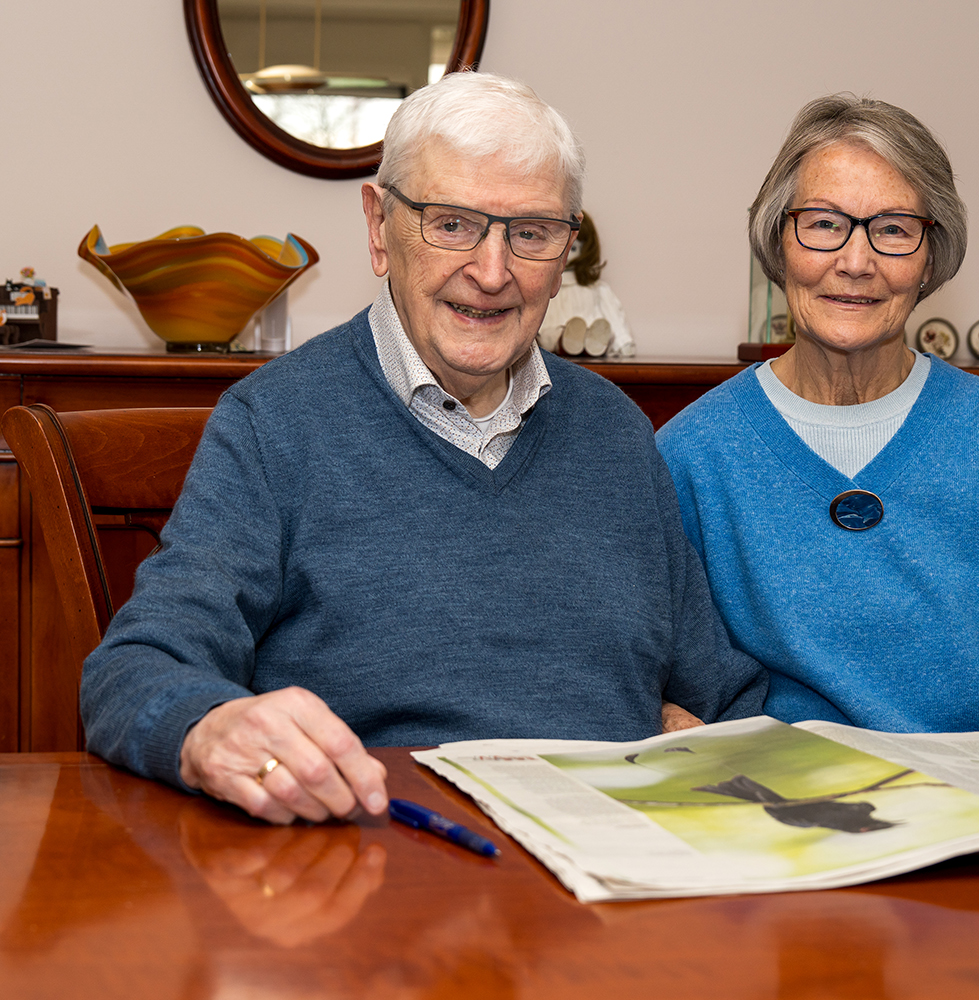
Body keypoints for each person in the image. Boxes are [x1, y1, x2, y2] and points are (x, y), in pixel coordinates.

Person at [81, 72, 765, 825]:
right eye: (451, 224)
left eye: (531, 232)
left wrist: (703, 735)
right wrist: (209, 728)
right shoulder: (273, 423)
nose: (493, 271)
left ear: (567, 246)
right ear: (379, 228)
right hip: (378, 874)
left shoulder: (617, 431)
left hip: (604, 887)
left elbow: (722, 693)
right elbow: (134, 672)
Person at [656, 94, 979, 734]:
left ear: (930, 257)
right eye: (824, 224)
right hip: (782, 808)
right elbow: (666, 685)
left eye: (892, 229)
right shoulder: (690, 455)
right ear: (777, 241)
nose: (855, 263)